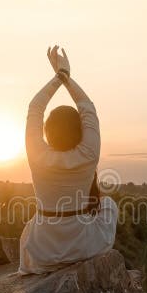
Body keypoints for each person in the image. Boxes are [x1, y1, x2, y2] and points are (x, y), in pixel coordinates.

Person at [18, 45, 118, 274]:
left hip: (41, 252)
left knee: (35, 221)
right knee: (109, 205)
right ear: (81, 131)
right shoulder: (88, 155)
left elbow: (35, 107)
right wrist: (67, 78)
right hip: (83, 247)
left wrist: (57, 78)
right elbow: (88, 109)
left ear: (47, 132)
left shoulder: (37, 156)